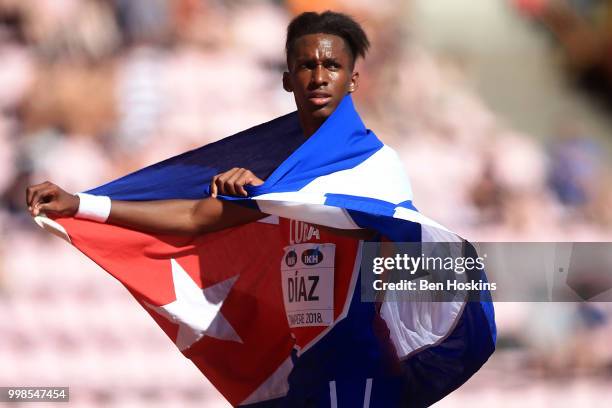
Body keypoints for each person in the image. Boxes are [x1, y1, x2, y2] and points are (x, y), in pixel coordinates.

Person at [26, 11, 495, 408]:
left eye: (332, 65)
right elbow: (196, 219)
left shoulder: (372, 163)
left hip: (361, 376)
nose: (318, 76)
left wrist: (269, 196)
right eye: (306, 65)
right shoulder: (283, 171)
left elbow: (381, 233)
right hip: (304, 373)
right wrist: (85, 205)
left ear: (354, 78)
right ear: (288, 76)